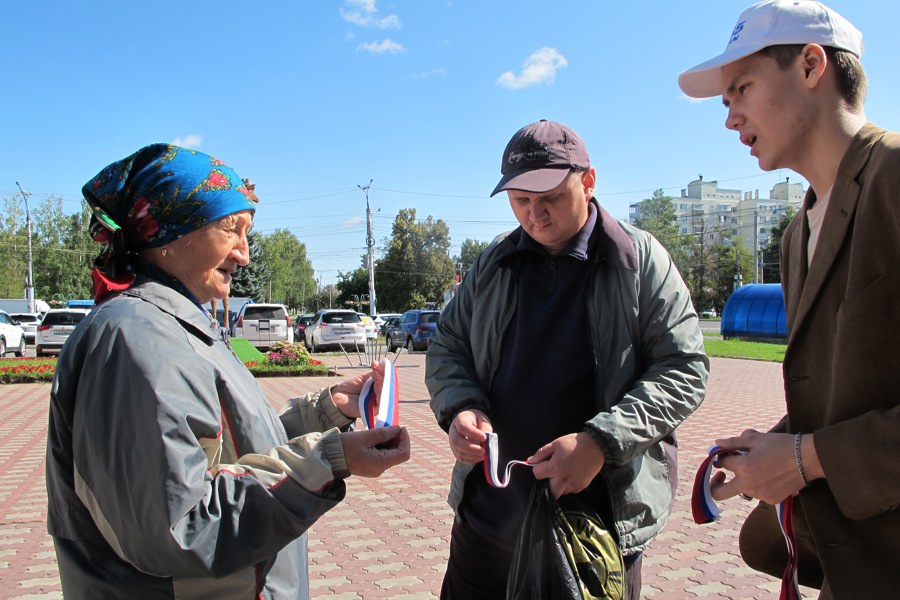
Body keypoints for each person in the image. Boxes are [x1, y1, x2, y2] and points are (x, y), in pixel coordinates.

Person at [45, 144, 411, 599]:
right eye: (230, 229)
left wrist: (328, 411)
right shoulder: (137, 339)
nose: (244, 254)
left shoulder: (174, 324)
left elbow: (224, 453)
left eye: (247, 233)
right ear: (171, 232)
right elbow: (182, 525)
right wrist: (330, 459)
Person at [425, 120, 709, 599]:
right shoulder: (493, 262)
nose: (534, 215)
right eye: (520, 201)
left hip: (593, 532)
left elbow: (685, 368)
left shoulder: (639, 260)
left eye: (550, 197)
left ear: (588, 181)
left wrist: (601, 441)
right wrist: (459, 408)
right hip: (488, 524)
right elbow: (448, 345)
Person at [679, 1, 900, 596]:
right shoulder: (797, 233)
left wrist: (805, 459)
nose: (731, 119)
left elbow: (824, 444)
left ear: (810, 65)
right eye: (726, 102)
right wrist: (767, 453)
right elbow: (846, 395)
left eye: (742, 89)